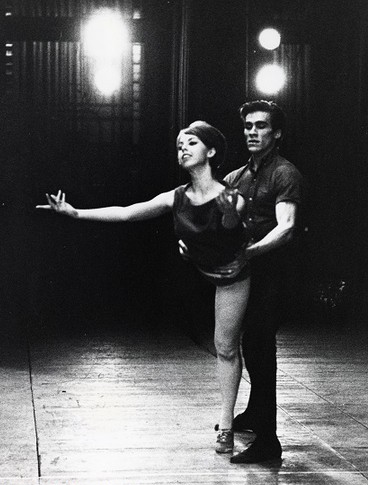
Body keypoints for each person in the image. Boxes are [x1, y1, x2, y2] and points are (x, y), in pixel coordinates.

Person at [37, 121, 250, 454]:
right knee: (204, 341)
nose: (182, 148)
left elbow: (230, 231)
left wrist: (229, 215)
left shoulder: (229, 197)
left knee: (226, 348)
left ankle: (226, 426)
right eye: (179, 143)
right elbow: (126, 214)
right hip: (196, 275)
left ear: (210, 151)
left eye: (191, 142)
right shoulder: (176, 197)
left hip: (231, 275)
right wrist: (75, 213)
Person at [223, 100, 303, 464]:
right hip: (245, 274)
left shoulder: (285, 173)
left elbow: (285, 229)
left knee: (260, 348)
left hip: (274, 274)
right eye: (248, 126)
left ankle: (269, 441)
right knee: (248, 345)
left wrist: (250, 253)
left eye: (261, 126)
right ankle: (255, 414)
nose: (252, 132)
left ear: (277, 133)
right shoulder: (237, 177)